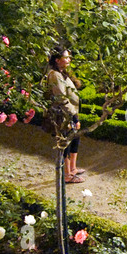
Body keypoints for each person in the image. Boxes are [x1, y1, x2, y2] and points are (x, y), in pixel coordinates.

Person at [47, 46, 86, 184]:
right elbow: (61, 98)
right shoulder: (55, 75)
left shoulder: (62, 73)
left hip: (71, 112)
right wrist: (74, 116)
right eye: (66, 57)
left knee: (75, 138)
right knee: (66, 142)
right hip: (64, 115)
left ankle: (72, 168)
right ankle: (67, 174)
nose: (69, 59)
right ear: (57, 60)